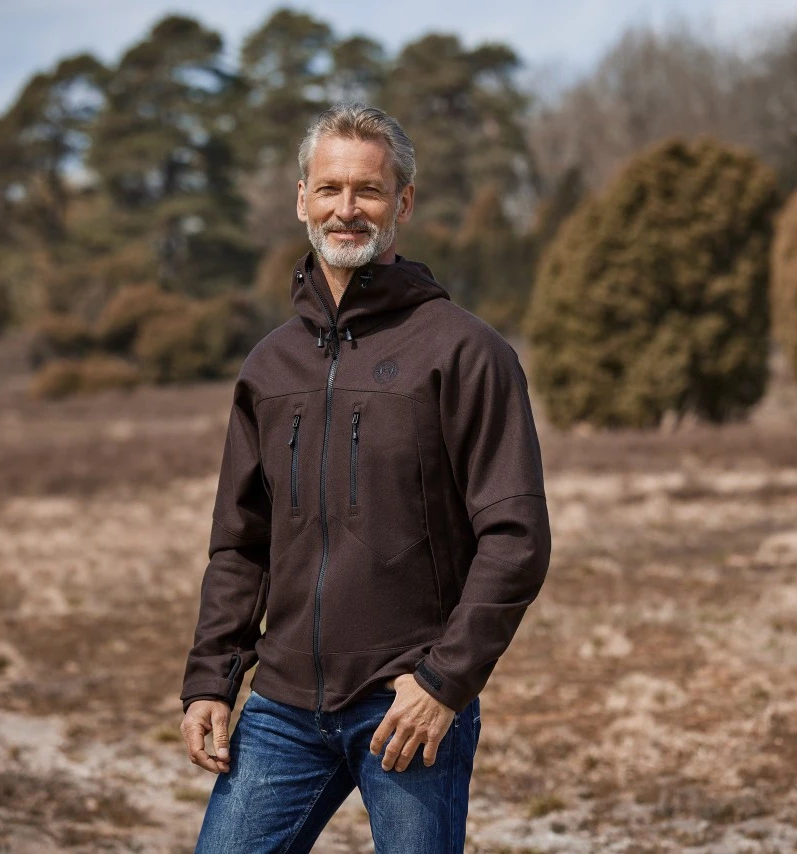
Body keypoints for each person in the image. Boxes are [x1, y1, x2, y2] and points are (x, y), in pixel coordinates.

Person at [178, 102, 552, 853]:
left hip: (406, 705)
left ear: (403, 203)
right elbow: (241, 542)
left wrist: (445, 682)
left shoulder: (465, 353)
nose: (346, 209)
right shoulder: (269, 367)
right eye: (329, 188)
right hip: (281, 708)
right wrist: (212, 678)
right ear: (301, 199)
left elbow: (516, 538)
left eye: (369, 190)